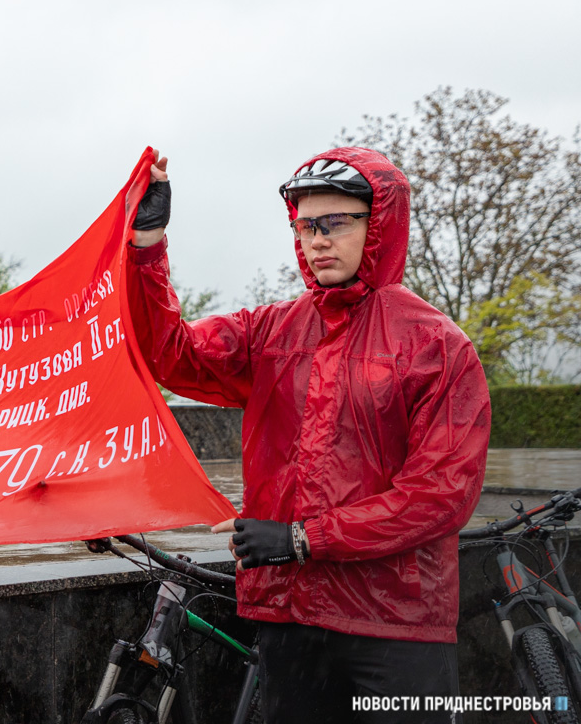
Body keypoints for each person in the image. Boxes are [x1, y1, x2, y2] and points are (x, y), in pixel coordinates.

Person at [127, 147, 490, 723]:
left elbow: (440, 495)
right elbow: (170, 353)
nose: (317, 240)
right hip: (289, 616)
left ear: (380, 224)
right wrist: (147, 246)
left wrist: (302, 538)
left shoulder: (437, 346)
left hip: (396, 626)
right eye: (305, 226)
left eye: (336, 222)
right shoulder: (272, 330)